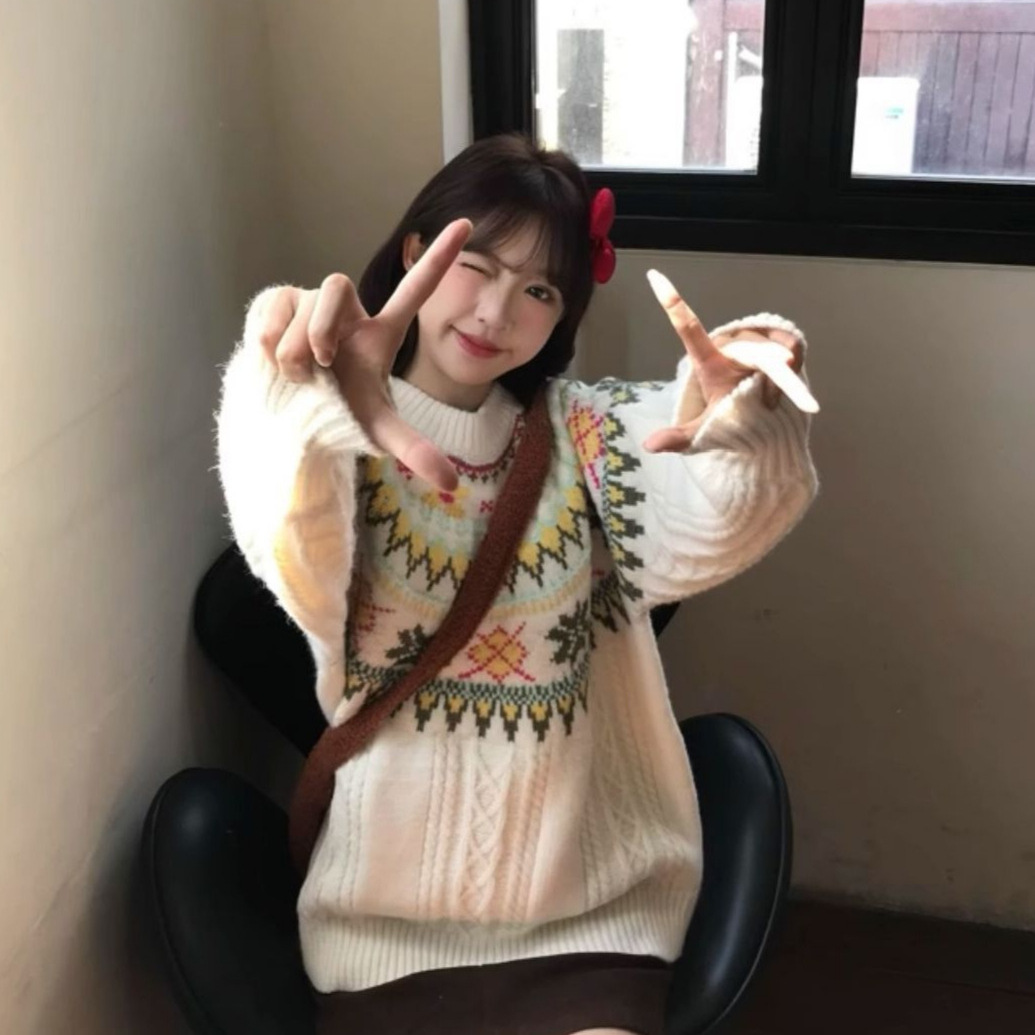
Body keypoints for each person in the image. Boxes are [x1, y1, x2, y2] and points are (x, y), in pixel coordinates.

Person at [215, 133, 819, 1035]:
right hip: (382, 925)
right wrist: (291, 380)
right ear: (416, 253)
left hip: (587, 911)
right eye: (477, 266)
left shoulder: (585, 432)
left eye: (539, 290)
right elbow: (286, 537)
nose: (496, 311)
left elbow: (717, 512)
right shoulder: (337, 443)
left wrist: (741, 410)